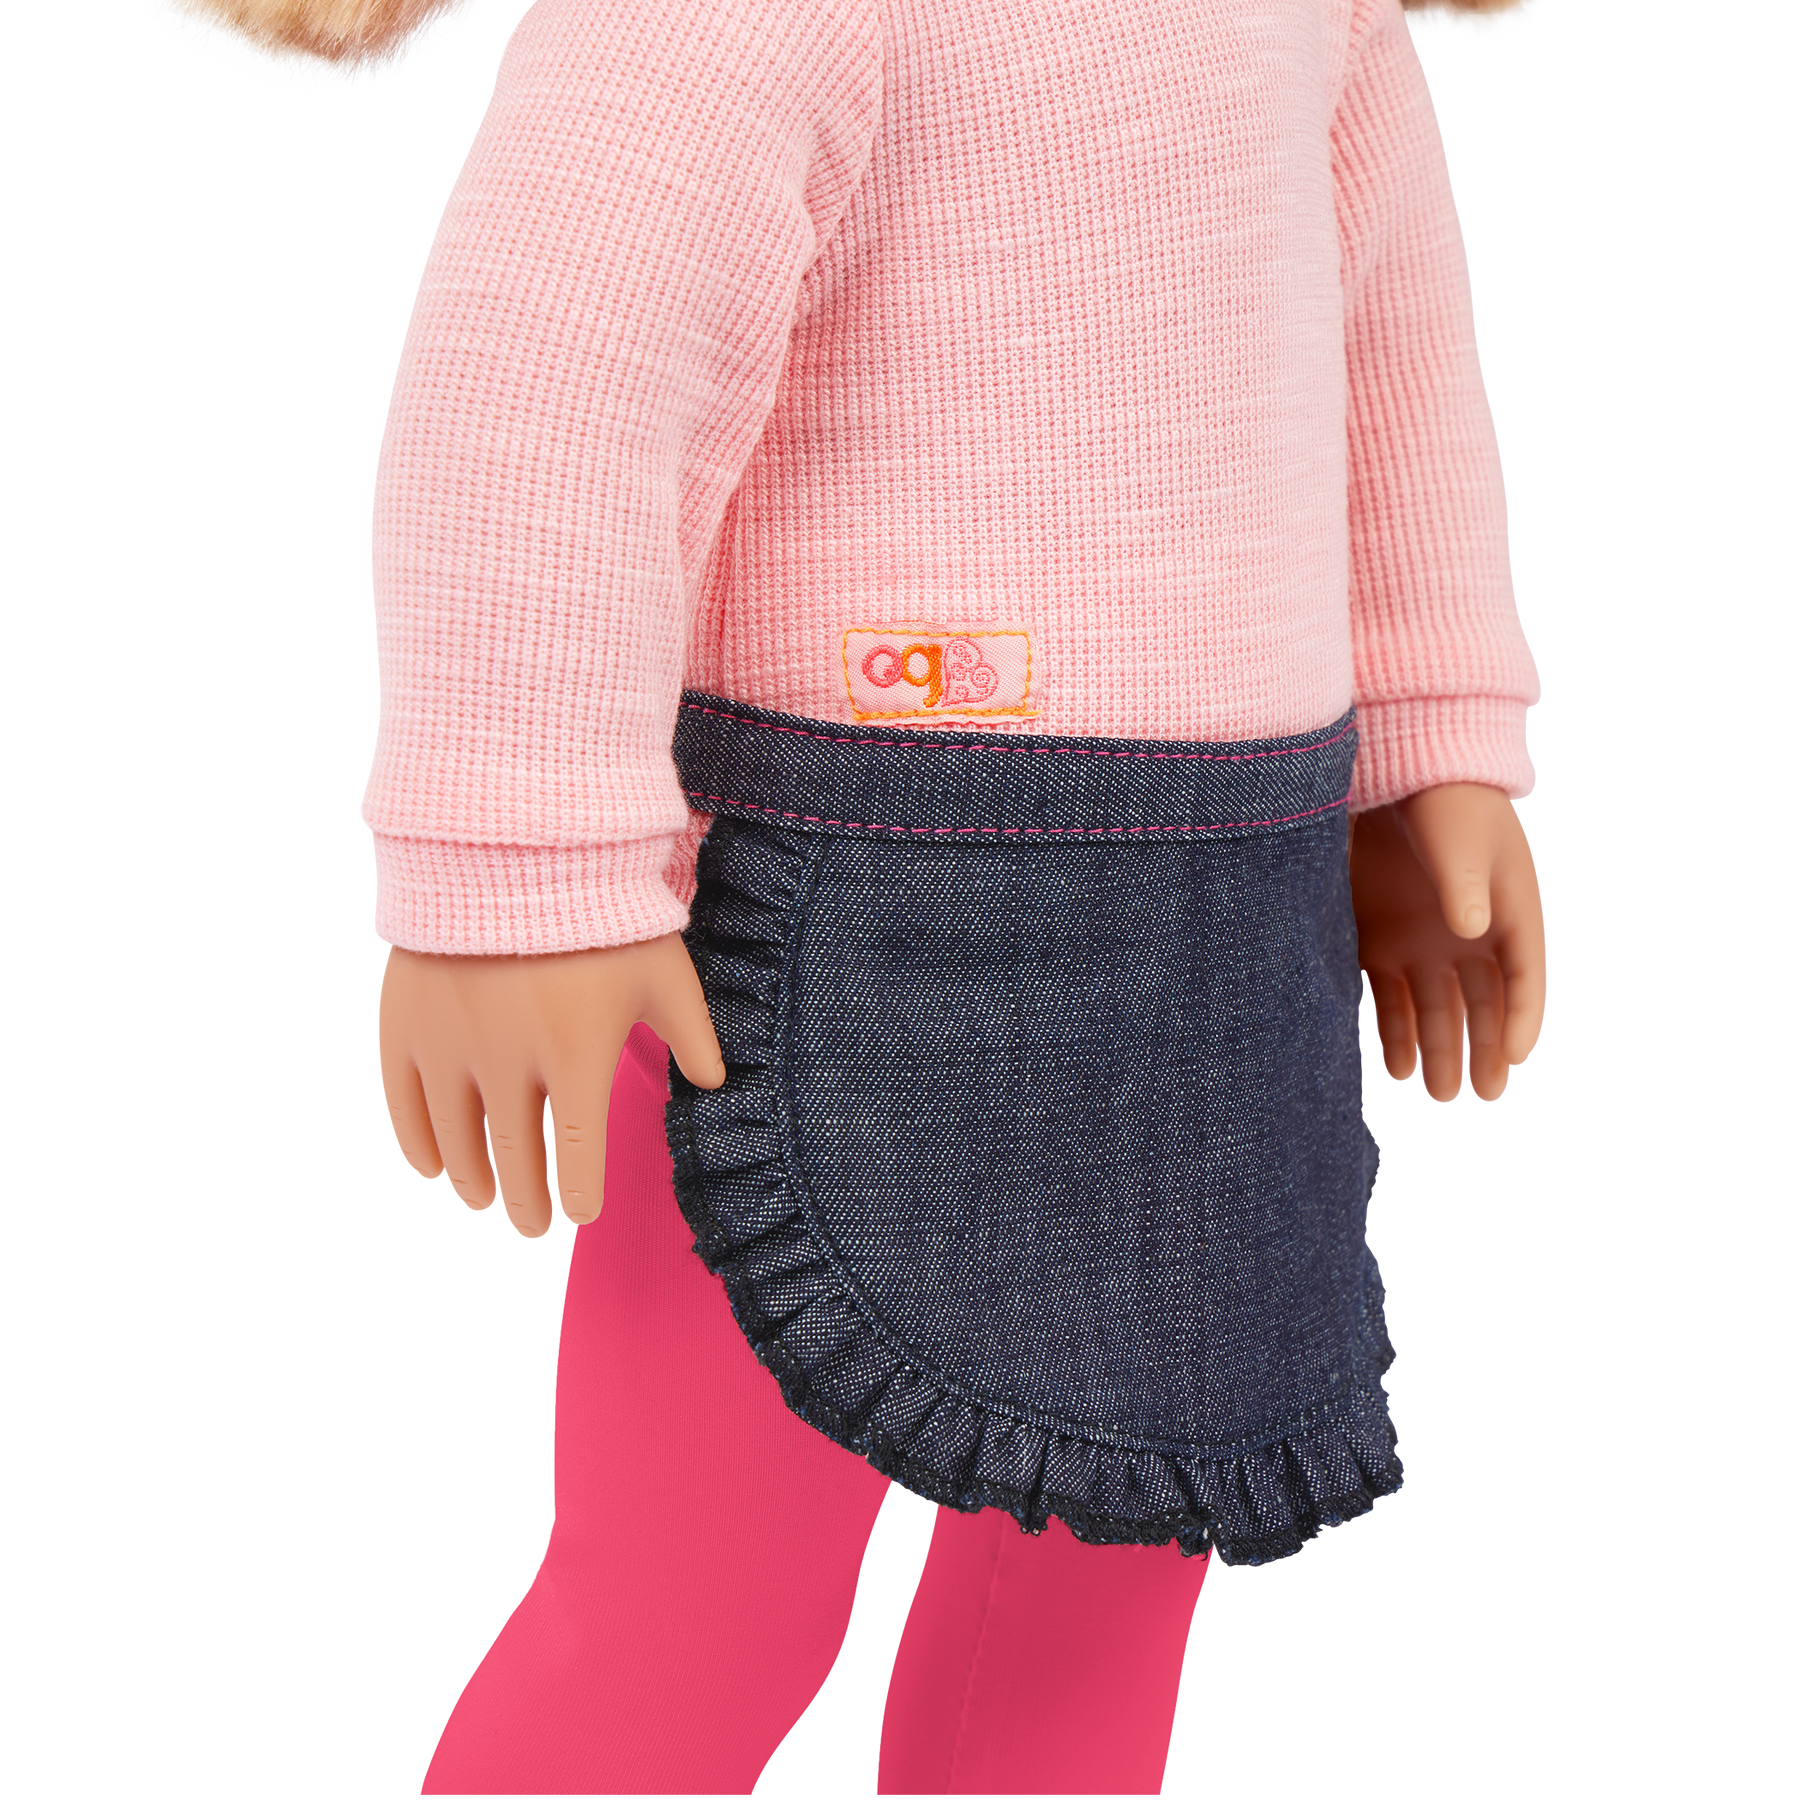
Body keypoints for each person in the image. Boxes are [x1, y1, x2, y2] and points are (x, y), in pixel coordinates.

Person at [151, 0, 1552, 1791]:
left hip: (1226, 904)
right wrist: (521, 865)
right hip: (840, 894)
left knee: (1113, 1589)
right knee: (699, 1609)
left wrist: (1430, 748)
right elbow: (554, 367)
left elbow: (1391, 339)